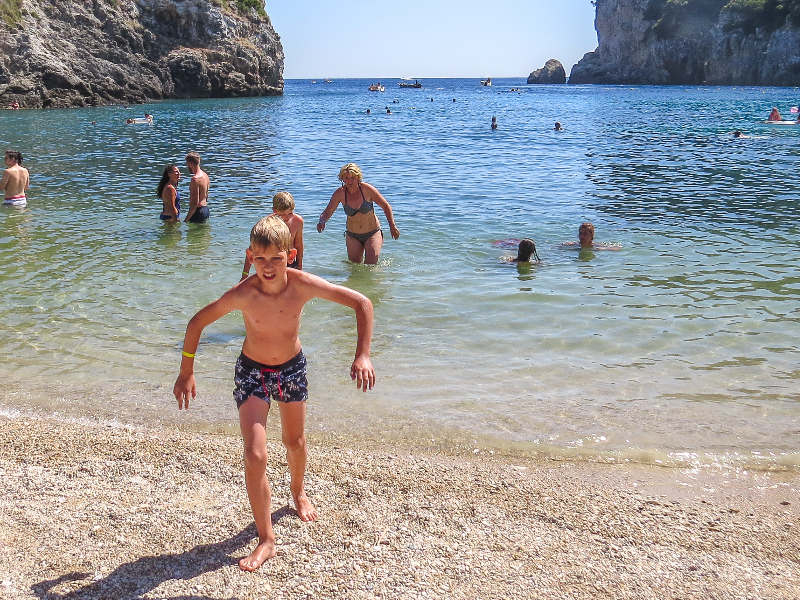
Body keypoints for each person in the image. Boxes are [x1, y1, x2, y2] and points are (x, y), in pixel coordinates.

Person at [173, 215, 375, 571]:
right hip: (252, 373)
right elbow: (196, 324)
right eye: (261, 259)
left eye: (277, 259)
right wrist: (186, 372)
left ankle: (298, 491)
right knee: (255, 454)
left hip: (292, 370)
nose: (268, 267)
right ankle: (267, 539)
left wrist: (362, 354)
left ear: (291, 255)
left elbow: (362, 303)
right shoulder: (243, 294)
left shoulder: (302, 285)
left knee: (294, 442)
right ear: (250, 257)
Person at [317, 163, 400, 264]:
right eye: (346, 178)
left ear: (358, 177)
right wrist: (322, 221)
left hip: (372, 233)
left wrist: (392, 226)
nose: (349, 181)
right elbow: (328, 211)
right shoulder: (340, 193)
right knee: (355, 267)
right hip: (352, 235)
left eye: (352, 177)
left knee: (371, 265)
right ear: (342, 178)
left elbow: (385, 206)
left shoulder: (367, 189)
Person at [241, 191, 304, 279]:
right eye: (282, 215)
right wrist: (245, 274)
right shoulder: (268, 225)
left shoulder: (297, 221)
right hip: (273, 262)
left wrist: (300, 267)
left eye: (290, 213)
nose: (286, 217)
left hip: (291, 262)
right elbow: (253, 249)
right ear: (274, 210)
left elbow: (299, 245)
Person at [184, 152, 209, 223]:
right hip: (205, 209)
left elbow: (194, 203)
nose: (187, 165)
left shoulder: (195, 179)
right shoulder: (205, 175)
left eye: (187, 163)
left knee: (192, 233)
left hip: (198, 211)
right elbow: (206, 194)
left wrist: (186, 219)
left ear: (191, 163)